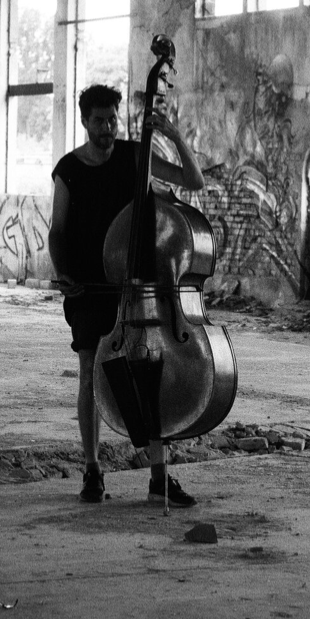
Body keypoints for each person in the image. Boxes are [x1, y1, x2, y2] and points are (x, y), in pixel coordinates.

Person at [49, 83, 207, 506]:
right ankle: (92, 469)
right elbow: (57, 231)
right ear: (85, 122)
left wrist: (172, 135)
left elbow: (194, 180)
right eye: (99, 121)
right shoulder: (68, 169)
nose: (107, 128)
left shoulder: (137, 156)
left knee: (150, 376)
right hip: (89, 287)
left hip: (137, 289)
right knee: (89, 373)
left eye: (112, 120)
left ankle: (159, 477)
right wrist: (63, 274)